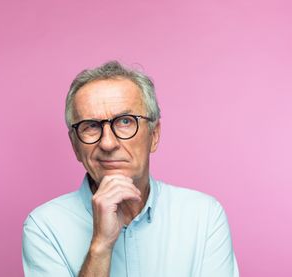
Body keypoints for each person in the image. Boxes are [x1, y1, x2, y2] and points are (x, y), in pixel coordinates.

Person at [22, 61, 239, 277]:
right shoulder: (44, 228)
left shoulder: (204, 216)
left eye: (125, 121)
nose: (108, 143)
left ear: (154, 135)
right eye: (90, 126)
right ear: (75, 146)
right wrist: (100, 246)